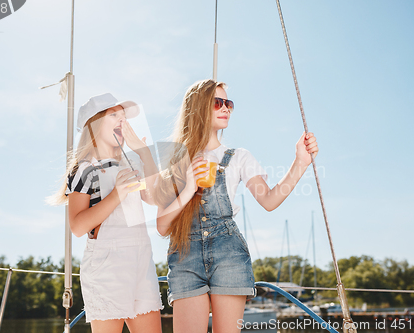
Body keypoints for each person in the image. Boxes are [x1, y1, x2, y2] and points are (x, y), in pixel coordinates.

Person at [154, 79, 318, 333]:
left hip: (228, 254)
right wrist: (188, 188)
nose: (226, 108)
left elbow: (269, 200)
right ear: (198, 108)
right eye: (217, 103)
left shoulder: (239, 157)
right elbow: (162, 226)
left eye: (228, 103)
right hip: (185, 256)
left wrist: (300, 163)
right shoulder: (175, 161)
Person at [48, 93, 163, 333]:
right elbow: (78, 227)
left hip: (141, 260)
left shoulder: (133, 162)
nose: (122, 121)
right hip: (107, 267)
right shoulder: (84, 169)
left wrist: (145, 153)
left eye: (123, 116)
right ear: (95, 123)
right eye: (114, 115)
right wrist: (115, 196)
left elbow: (154, 198)